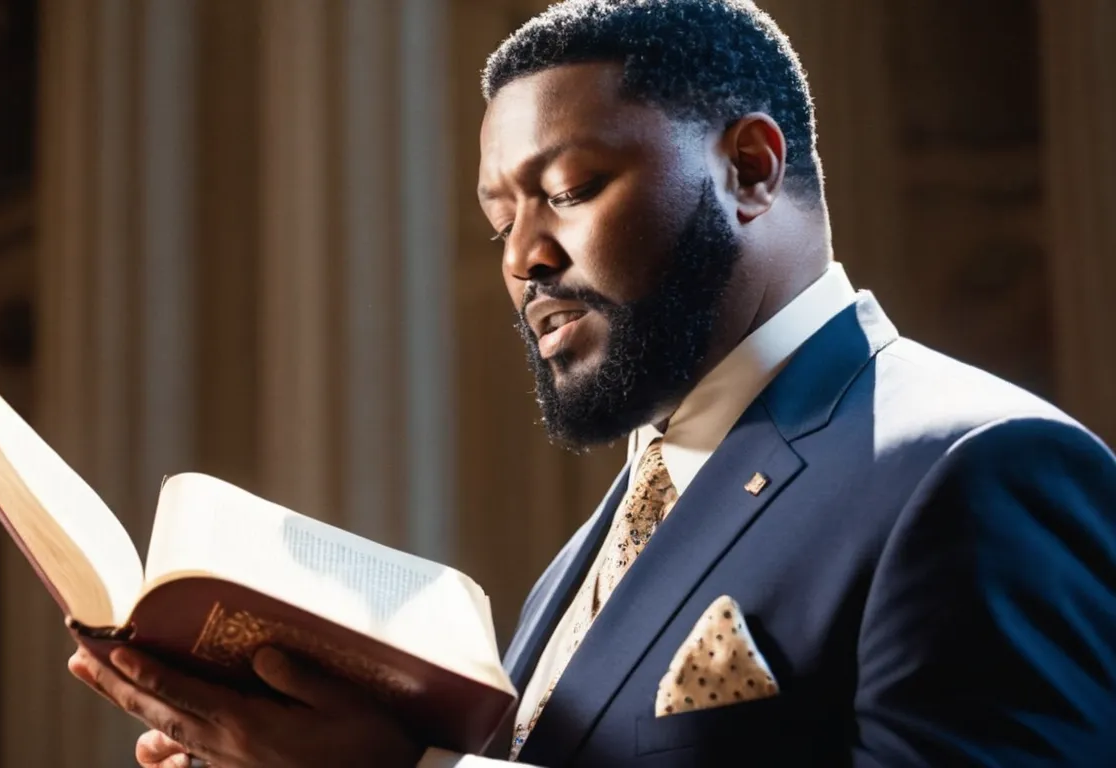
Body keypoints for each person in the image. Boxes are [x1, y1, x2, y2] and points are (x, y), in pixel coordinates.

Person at [68, 1, 1116, 765]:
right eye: (497, 221)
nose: (521, 257)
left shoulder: (976, 468)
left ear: (749, 170)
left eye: (565, 191)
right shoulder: (585, 556)